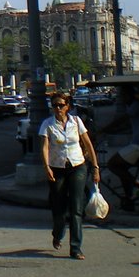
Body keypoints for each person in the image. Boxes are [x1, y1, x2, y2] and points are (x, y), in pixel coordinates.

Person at [40, 92, 99, 260]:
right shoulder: (47, 124)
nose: (58, 108)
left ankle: (75, 248)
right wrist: (46, 167)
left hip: (77, 166)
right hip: (56, 168)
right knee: (59, 208)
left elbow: (87, 143)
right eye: (55, 106)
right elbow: (44, 147)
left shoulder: (76, 122)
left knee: (76, 208)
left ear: (68, 106)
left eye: (61, 105)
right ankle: (58, 233)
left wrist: (95, 167)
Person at [101, 84, 139, 211]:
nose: (121, 99)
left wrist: (103, 130)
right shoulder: (136, 106)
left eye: (122, 96)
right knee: (122, 168)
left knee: (112, 164)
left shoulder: (136, 106)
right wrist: (111, 131)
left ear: (128, 95)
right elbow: (127, 125)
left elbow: (122, 120)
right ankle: (128, 198)